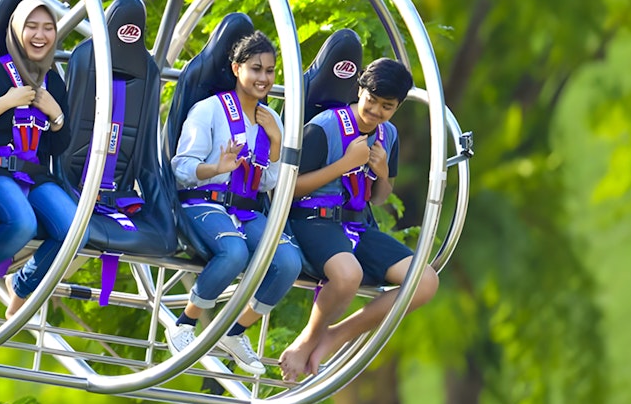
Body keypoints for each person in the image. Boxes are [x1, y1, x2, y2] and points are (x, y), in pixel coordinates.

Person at [279, 58, 439, 381]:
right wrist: (345, 164)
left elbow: (379, 198)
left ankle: (337, 335)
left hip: (356, 224)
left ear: (397, 108)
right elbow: (288, 190)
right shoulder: (324, 127)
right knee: (348, 275)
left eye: (387, 107)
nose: (376, 111)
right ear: (359, 89)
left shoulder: (387, 136)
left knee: (426, 282)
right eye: (372, 100)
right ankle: (306, 341)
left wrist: (381, 173)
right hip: (314, 216)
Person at [168, 31, 303, 375]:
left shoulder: (270, 119)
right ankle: (185, 323)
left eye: (270, 71)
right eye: (256, 69)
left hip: (244, 208)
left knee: (288, 261)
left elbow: (270, 181)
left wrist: (275, 138)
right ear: (236, 68)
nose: (264, 78)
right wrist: (217, 167)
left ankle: (235, 331)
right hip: (204, 202)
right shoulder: (209, 110)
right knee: (235, 252)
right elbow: (181, 168)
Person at [0, 0, 84, 319]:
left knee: (76, 231)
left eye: (48, 28)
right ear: (16, 31)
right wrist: (6, 102)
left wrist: (56, 116)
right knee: (22, 223)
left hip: (31, 172)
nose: (40, 35)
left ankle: (22, 285)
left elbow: (55, 146)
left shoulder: (52, 80)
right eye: (31, 27)